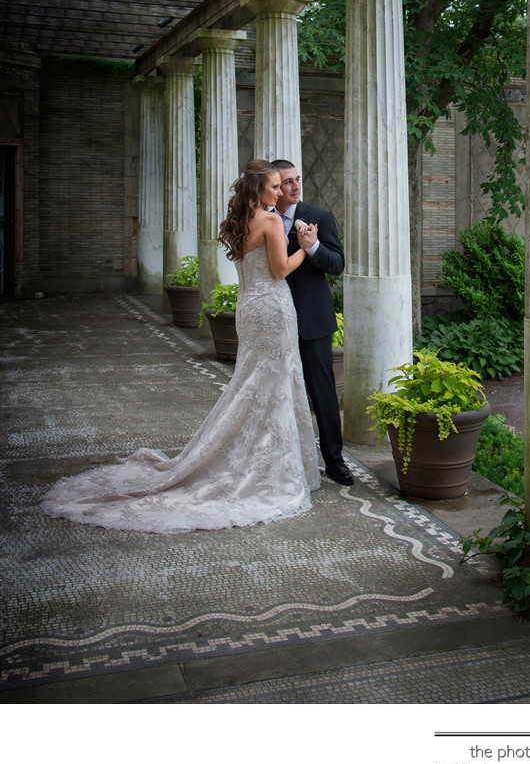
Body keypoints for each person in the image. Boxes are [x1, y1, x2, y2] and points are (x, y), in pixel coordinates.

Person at [41, 160, 321, 533]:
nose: (279, 192)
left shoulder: (240, 221)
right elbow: (281, 269)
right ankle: (268, 469)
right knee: (272, 382)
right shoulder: (269, 220)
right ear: (258, 190)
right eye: (273, 187)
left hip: (249, 308)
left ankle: (250, 457)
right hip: (272, 308)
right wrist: (305, 246)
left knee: (252, 382)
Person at [272, 160, 354, 486]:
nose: (295, 186)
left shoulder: (319, 217)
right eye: (287, 182)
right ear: (274, 188)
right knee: (274, 388)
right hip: (274, 317)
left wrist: (313, 246)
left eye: (297, 180)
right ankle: (284, 457)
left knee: (323, 394)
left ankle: (335, 461)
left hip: (312, 320)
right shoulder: (263, 219)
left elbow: (337, 264)